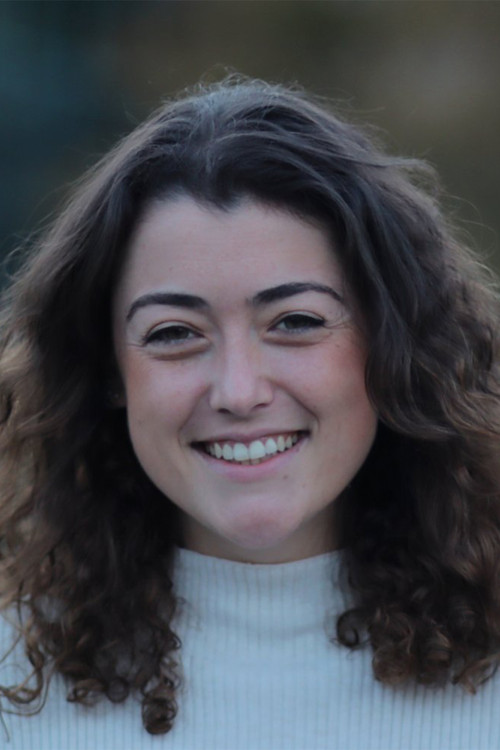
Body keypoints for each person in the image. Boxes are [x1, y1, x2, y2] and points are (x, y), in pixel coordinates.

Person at [0, 77, 499, 750]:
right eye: (174, 333)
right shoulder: (12, 693)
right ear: (108, 371)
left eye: (295, 321)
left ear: (392, 346)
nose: (238, 392)